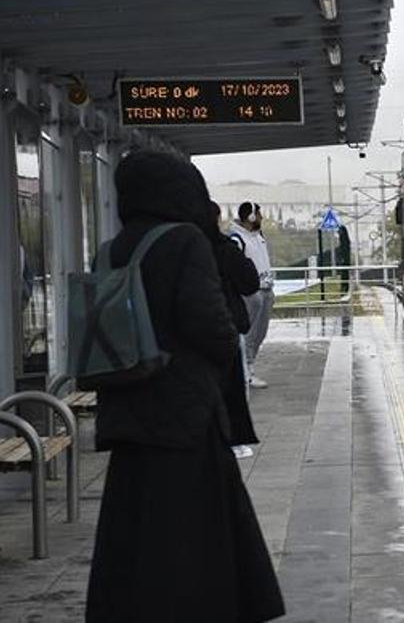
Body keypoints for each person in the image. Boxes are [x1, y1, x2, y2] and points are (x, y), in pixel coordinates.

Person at [85, 150, 284, 622]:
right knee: (191, 535)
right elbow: (214, 329)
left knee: (135, 532)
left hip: (126, 414)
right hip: (183, 415)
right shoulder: (184, 241)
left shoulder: (110, 250)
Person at [207, 202, 262, 459]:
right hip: (226, 326)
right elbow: (249, 283)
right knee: (233, 384)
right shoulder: (225, 248)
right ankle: (233, 439)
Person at [230, 201, 274, 388]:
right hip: (251, 293)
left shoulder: (258, 237)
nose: (261, 218)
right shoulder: (237, 240)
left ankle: (250, 365)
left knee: (260, 333)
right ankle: (247, 370)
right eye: (259, 214)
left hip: (266, 289)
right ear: (251, 217)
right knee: (249, 332)